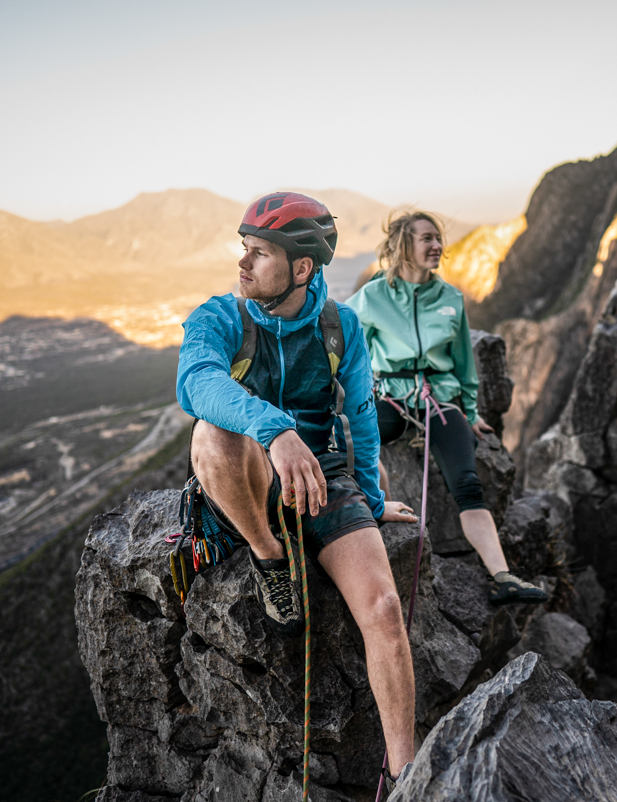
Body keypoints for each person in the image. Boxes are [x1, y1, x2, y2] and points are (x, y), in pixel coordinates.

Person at [176, 192, 417, 783]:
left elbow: (359, 415)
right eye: (245, 249)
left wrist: (373, 502)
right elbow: (195, 383)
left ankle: (407, 774)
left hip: (323, 476)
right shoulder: (221, 316)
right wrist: (276, 430)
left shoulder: (340, 327)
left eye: (258, 253)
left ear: (302, 268)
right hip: (249, 468)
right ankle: (268, 555)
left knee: (384, 610)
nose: (243, 263)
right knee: (214, 432)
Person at [346, 211, 548, 606]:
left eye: (438, 239)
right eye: (427, 239)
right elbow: (344, 338)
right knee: (356, 444)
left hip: (438, 399)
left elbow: (464, 366)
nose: (437, 245)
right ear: (404, 245)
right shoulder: (372, 297)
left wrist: (469, 414)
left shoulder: (450, 299)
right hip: (390, 394)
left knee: (468, 483)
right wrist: (362, 391)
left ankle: (503, 576)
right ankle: (366, 528)